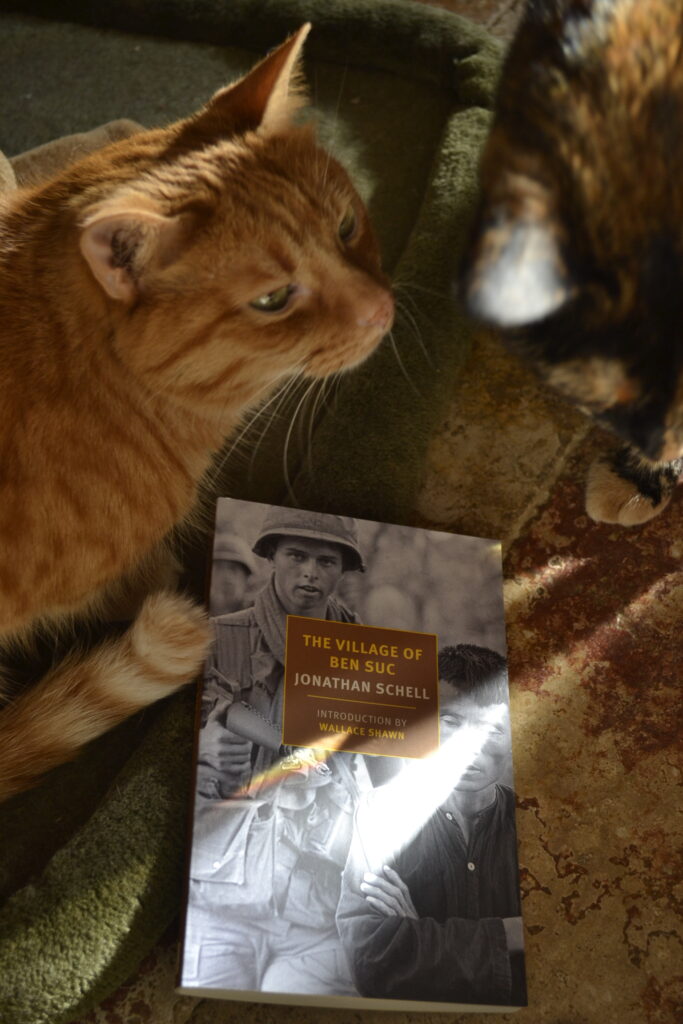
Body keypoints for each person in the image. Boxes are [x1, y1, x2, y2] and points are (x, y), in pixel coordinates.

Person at [184, 507, 368, 996]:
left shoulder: (366, 651)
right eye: (297, 556)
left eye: (327, 562)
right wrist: (285, 743)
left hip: (315, 900)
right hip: (222, 892)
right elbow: (207, 704)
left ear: (342, 570)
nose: (310, 572)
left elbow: (382, 749)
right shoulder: (224, 635)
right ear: (272, 558)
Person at [335, 644, 527, 1008]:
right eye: (451, 721)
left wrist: (419, 934)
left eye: (491, 729)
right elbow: (373, 963)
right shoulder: (381, 813)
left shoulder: (534, 823)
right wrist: (514, 933)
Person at [207, 531, 256, 616]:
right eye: (219, 568)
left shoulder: (260, 615)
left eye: (233, 569)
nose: (226, 576)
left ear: (247, 579)